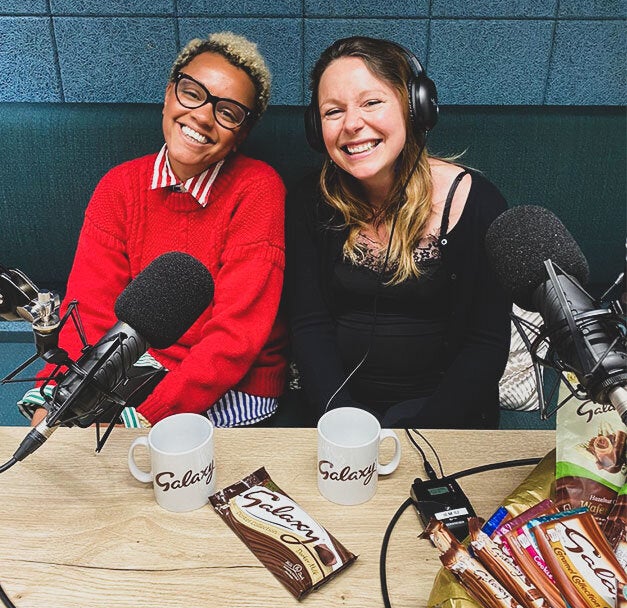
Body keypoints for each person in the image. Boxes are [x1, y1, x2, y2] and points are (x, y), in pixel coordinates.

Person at [22, 32, 287, 428]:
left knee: (147, 464)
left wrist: (148, 417)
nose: (201, 115)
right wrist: (68, 396)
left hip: (227, 383)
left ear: (240, 136)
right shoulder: (119, 186)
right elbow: (91, 313)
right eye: (192, 93)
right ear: (168, 94)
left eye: (227, 112)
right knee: (54, 420)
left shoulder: (258, 189)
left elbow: (235, 337)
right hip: (131, 370)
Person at [284, 36, 511, 429]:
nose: (352, 124)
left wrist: (422, 428)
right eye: (333, 111)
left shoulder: (480, 203)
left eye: (372, 102)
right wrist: (342, 420)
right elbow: (309, 324)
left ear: (415, 108)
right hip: (336, 414)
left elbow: (486, 344)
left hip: (448, 418)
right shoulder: (308, 200)